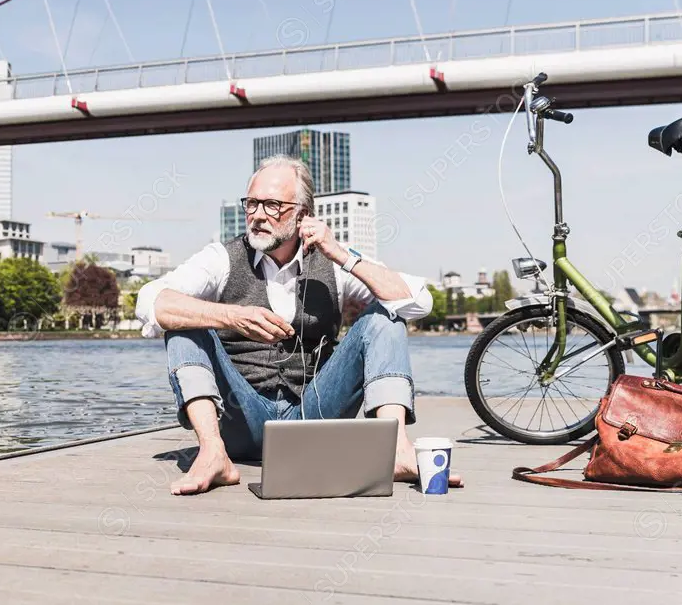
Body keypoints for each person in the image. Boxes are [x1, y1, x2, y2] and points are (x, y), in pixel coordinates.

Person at [135, 154, 464, 496]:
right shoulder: (221, 259)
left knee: (386, 318)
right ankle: (213, 453)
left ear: (303, 214)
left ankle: (397, 451)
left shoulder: (332, 263)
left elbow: (418, 301)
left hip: (315, 412)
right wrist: (230, 316)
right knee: (184, 320)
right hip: (239, 416)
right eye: (252, 204)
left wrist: (342, 255)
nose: (258, 215)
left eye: (273, 205)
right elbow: (149, 301)